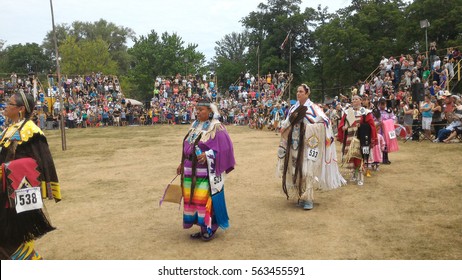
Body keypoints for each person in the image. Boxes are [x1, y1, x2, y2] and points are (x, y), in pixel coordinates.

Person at [0, 92, 61, 260]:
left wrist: (5, 170)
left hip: (16, 193)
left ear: (20, 109)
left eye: (10, 103)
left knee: (12, 239)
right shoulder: (9, 129)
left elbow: (38, 163)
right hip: (4, 192)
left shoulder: (31, 130)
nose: (5, 105)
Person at [277, 84, 345, 210]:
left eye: (301, 91)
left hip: (309, 144)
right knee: (295, 170)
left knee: (307, 170)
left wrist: (307, 129)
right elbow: (286, 124)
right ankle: (301, 195)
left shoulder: (314, 108)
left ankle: (308, 197)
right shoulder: (293, 108)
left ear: (307, 93)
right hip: (295, 144)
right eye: (297, 91)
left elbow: (324, 122)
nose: (298, 93)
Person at [176, 98, 235, 241]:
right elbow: (187, 146)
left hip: (205, 171)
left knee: (205, 199)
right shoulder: (195, 125)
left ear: (210, 111)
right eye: (196, 109)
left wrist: (207, 155)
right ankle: (201, 227)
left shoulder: (216, 127)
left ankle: (209, 228)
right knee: (194, 200)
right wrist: (182, 163)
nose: (197, 112)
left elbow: (225, 149)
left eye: (201, 109)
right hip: (191, 170)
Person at [338, 95, 377, 186]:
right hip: (350, 138)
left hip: (361, 139)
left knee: (360, 157)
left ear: (361, 101)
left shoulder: (365, 112)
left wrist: (361, 126)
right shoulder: (348, 112)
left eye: (356, 99)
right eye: (353, 99)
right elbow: (343, 124)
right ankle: (353, 175)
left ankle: (360, 177)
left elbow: (371, 126)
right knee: (351, 156)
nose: (354, 101)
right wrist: (343, 128)